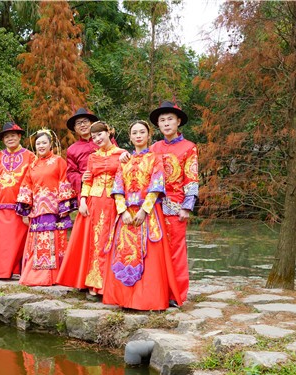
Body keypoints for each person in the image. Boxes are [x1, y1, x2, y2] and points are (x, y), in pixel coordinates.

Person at [103, 120, 179, 311]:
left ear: (149, 135)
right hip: (127, 215)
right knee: (125, 253)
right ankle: (124, 299)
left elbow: (156, 186)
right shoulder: (124, 161)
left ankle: (147, 300)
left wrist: (145, 210)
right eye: (134, 133)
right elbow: (117, 187)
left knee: (149, 256)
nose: (138, 136)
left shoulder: (155, 159)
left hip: (148, 213)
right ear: (130, 137)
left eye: (142, 132)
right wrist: (122, 211)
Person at [57, 120, 125, 294]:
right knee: (93, 242)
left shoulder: (122, 154)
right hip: (94, 202)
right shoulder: (93, 157)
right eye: (94, 137)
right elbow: (87, 180)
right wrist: (82, 201)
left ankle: (108, 284)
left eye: (100, 134)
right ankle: (93, 282)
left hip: (113, 201)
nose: (97, 139)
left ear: (108, 133)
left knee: (109, 240)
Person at [148, 101, 198, 305]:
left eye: (170, 119)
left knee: (176, 250)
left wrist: (187, 206)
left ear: (178, 121)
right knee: (155, 250)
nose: (166, 123)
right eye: (162, 120)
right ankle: (156, 292)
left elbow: (191, 178)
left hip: (176, 206)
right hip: (152, 206)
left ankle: (176, 294)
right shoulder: (153, 148)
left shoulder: (189, 147)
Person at [16, 129, 76, 286]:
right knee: (38, 242)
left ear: (51, 145)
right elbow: (26, 186)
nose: (41, 146)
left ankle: (57, 276)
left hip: (54, 208)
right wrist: (25, 208)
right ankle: (37, 276)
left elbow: (64, 181)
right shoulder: (32, 165)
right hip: (37, 209)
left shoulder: (58, 161)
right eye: (38, 143)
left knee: (55, 241)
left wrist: (63, 206)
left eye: (44, 143)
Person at [0, 122, 36, 279]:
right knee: (1, 242)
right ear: (3, 140)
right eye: (6, 137)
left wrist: (28, 205)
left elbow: (34, 180)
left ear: (19, 136)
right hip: (0, 206)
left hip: (20, 207)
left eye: (12, 136)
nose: (10, 139)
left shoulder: (30, 157)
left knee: (17, 241)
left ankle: (17, 270)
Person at [65, 107, 100, 197]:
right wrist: (81, 178)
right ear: (75, 128)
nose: (82, 125)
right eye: (78, 123)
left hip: (106, 185)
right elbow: (70, 173)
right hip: (85, 190)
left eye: (85, 121)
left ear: (91, 123)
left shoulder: (103, 140)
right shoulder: (72, 150)